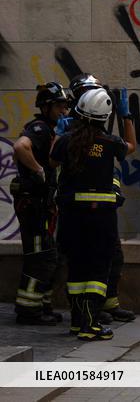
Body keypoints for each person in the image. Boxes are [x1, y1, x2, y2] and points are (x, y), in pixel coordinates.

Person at [51, 87, 136, 341]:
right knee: (98, 269)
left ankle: (78, 322)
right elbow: (130, 146)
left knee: (76, 268)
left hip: (71, 216)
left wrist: (59, 133)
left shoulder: (66, 140)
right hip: (101, 219)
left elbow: (53, 162)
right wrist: (127, 117)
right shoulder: (110, 143)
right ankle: (91, 323)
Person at [10, 82, 71, 325]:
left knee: (48, 254)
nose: (63, 111)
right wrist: (38, 171)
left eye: (64, 106)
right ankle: (28, 310)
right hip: (33, 206)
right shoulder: (39, 128)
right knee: (39, 256)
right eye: (58, 106)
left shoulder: (51, 129)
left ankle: (42, 305)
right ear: (45, 107)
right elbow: (19, 147)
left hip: (42, 206)